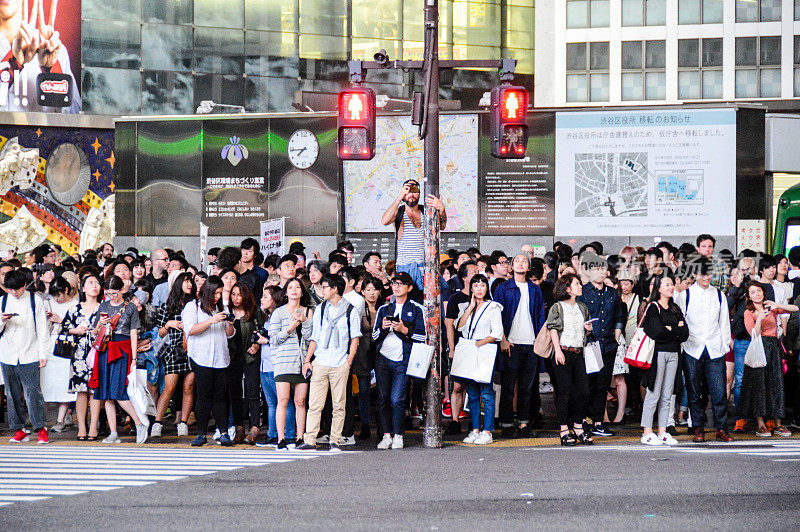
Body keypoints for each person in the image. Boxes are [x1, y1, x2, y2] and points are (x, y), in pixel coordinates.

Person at [298, 274, 361, 452]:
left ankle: (335, 439)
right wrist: (308, 360)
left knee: (339, 404)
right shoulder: (320, 309)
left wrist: (348, 362)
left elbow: (354, 338)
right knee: (315, 403)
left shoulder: (351, 310)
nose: (322, 290)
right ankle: (310, 439)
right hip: (321, 361)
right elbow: (315, 337)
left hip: (340, 363)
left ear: (335, 289)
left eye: (325, 287)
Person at [675, 257, 734, 443]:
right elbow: (680, 322)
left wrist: (725, 345)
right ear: (694, 274)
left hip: (715, 348)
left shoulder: (718, 295)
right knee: (694, 391)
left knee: (718, 391)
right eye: (702, 274)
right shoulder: (685, 295)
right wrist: (683, 345)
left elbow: (724, 322)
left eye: (708, 273)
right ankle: (698, 428)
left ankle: (721, 428)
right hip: (692, 347)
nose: (706, 277)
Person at [89, 275, 148, 444]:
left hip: (122, 351)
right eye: (108, 293)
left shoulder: (130, 308)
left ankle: (139, 423)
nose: (111, 296)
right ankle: (114, 432)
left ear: (122, 290)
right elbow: (94, 332)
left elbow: (134, 333)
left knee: (119, 392)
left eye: (114, 293)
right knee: (107, 394)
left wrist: (134, 358)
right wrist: (100, 322)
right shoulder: (104, 306)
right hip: (106, 350)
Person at [492, 253, 546, 438]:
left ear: (529, 267)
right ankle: (507, 423)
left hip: (530, 344)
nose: (520, 263)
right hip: (511, 344)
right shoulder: (503, 288)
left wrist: (539, 341)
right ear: (511, 266)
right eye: (517, 261)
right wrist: (503, 339)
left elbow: (540, 317)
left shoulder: (535, 289)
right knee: (508, 386)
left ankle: (524, 423)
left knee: (527, 387)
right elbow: (496, 317)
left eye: (524, 261)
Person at [372, 272, 426, 450]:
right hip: (383, 358)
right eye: (394, 283)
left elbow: (423, 336)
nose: (396, 287)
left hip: (404, 358)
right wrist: (383, 328)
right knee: (383, 398)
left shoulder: (417, 309)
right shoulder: (384, 309)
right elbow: (374, 336)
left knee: (397, 399)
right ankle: (386, 434)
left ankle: (399, 435)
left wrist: (404, 330)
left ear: (409, 288)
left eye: (401, 284)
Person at [738, 282, 796, 438]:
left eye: (759, 291)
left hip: (774, 347)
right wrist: (759, 320)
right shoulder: (748, 312)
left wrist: (776, 304)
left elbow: (795, 308)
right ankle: (760, 424)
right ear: (749, 296)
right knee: (759, 385)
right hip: (759, 347)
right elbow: (753, 334)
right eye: (753, 292)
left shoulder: (771, 307)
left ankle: (778, 423)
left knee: (776, 383)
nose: (757, 294)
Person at [183, 275, 234, 446]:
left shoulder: (223, 308)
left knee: (220, 396)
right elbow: (191, 330)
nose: (218, 297)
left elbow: (229, 334)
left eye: (220, 293)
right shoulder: (193, 307)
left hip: (221, 357)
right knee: (204, 396)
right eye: (215, 293)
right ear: (206, 292)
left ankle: (224, 432)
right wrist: (212, 320)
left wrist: (230, 325)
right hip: (201, 357)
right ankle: (201, 433)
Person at [1, 269, 51, 443]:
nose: (14, 293)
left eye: (17, 289)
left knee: (33, 392)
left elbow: (43, 329)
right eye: (10, 289)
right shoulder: (2, 301)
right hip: (7, 354)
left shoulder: (34, 300)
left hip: (30, 353)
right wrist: (2, 320)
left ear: (24, 286)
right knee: (12, 393)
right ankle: (19, 429)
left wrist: (43, 354)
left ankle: (41, 428)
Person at [576, 252, 623, 438]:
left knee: (603, 385)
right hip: (590, 345)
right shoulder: (584, 291)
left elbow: (619, 315)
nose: (602, 272)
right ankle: (581, 421)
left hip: (609, 344)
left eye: (603, 269)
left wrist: (617, 335)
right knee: (586, 385)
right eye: (597, 269)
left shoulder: (612, 293)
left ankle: (598, 422)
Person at [639, 276, 689, 446]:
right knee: (654, 392)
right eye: (667, 284)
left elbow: (685, 334)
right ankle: (647, 431)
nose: (671, 287)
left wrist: (671, 329)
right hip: (658, 353)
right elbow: (656, 331)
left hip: (674, 353)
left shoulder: (675, 308)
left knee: (668, 394)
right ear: (659, 289)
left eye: (671, 284)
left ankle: (662, 431)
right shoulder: (653, 307)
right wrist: (675, 329)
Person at [546, 273, 593, 446]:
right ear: (567, 289)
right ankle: (564, 428)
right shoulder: (557, 307)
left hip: (578, 352)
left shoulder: (582, 307)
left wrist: (588, 329)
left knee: (583, 391)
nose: (580, 286)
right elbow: (552, 329)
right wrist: (558, 351)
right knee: (564, 392)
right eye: (576, 284)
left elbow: (585, 332)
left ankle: (578, 425)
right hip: (563, 352)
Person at [457, 274, 503, 446]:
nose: (479, 289)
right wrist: (470, 308)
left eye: (482, 285)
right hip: (470, 351)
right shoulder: (468, 307)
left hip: (483, 351)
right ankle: (475, 429)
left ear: (486, 288)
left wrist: (479, 343)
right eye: (475, 286)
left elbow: (497, 333)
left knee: (486, 393)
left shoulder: (493, 307)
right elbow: (459, 326)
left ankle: (488, 430)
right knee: (472, 393)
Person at [269, 277, 313, 450]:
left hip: (302, 361)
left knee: (301, 401)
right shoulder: (278, 312)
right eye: (290, 287)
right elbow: (273, 339)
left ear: (302, 291)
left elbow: (310, 338)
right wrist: (289, 328)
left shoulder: (309, 312)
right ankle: (281, 438)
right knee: (283, 399)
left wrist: (305, 322)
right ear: (285, 292)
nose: (294, 290)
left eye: (297, 287)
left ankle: (300, 437)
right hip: (283, 360)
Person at [151, 272, 196, 439]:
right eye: (185, 281)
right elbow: (160, 334)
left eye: (190, 281)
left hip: (192, 350)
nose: (189, 284)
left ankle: (183, 422)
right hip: (173, 350)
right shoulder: (167, 306)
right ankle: (157, 421)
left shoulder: (196, 305)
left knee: (188, 387)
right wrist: (168, 324)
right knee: (169, 387)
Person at [380, 179, 447, 290]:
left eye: (414, 190)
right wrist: (399, 198)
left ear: (419, 193)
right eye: (407, 190)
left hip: (426, 268)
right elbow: (384, 221)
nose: (411, 194)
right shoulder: (399, 212)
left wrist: (442, 209)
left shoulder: (425, 211)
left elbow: (441, 226)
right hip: (405, 268)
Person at [62, 274, 102, 440]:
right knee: (81, 392)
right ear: (83, 288)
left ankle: (93, 427)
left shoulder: (104, 308)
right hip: (78, 355)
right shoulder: (74, 308)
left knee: (95, 392)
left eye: (97, 283)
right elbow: (63, 328)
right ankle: (82, 427)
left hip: (98, 353)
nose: (95, 285)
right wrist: (76, 330)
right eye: (90, 283)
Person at [255, 285, 293, 447]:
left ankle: (289, 434)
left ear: (275, 299)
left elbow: (284, 338)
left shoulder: (282, 316)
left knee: (285, 401)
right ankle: (272, 434)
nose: (261, 299)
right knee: (271, 403)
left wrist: (267, 341)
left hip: (278, 364)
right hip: (265, 365)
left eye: (265, 296)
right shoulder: (267, 317)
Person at [443, 260, 478, 434]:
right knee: (457, 386)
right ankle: (455, 420)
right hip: (459, 347)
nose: (477, 275)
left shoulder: (484, 297)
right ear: (464, 277)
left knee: (475, 386)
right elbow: (449, 325)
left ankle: (475, 421)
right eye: (473, 272)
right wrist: (452, 348)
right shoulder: (455, 298)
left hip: (478, 347)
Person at [227, 281, 264, 444]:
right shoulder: (228, 313)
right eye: (233, 294)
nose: (235, 298)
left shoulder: (254, 312)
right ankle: (239, 428)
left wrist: (256, 345)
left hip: (251, 357)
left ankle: (255, 427)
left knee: (252, 392)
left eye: (239, 294)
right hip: (233, 358)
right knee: (235, 393)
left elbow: (263, 330)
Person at [40, 276, 78, 432]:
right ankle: (41, 420)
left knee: (64, 385)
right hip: (49, 345)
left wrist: (61, 321)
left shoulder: (76, 305)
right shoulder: (46, 303)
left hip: (66, 347)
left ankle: (60, 420)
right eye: (54, 295)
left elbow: (80, 327)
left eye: (59, 294)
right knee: (45, 384)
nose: (56, 298)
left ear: (67, 290)